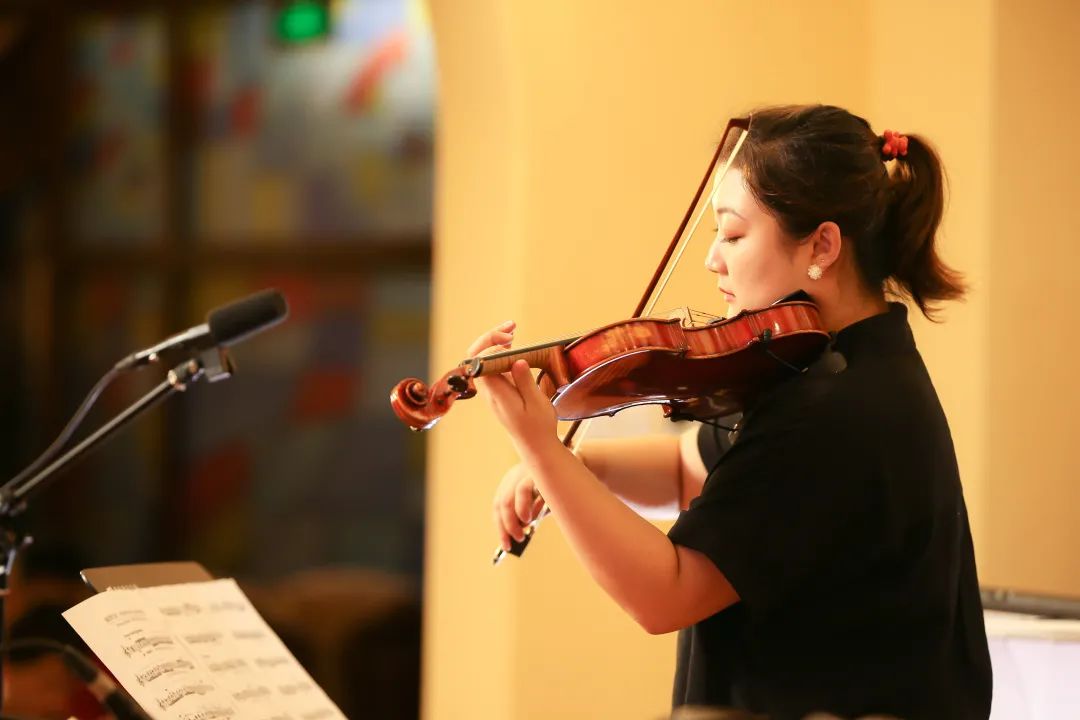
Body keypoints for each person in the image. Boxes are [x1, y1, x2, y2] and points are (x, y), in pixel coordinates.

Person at [468, 104, 992, 719]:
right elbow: (689, 472)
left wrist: (543, 453)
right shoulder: (834, 365)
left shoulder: (837, 408)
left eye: (735, 233)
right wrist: (576, 465)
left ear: (822, 244)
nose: (713, 258)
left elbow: (667, 594)